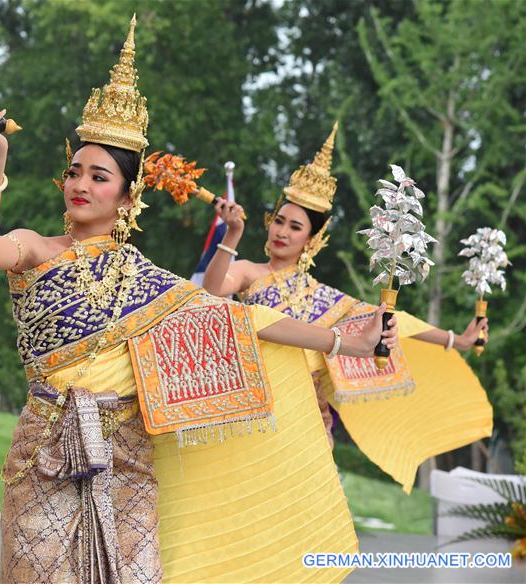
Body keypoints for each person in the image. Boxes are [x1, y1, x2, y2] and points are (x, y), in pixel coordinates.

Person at [0, 17, 398, 582]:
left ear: (127, 194)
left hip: (128, 456)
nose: (80, 184)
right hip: (46, 449)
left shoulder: (150, 282)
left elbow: (245, 322)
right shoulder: (38, 249)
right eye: (74, 171)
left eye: (99, 175)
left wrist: (347, 341)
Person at [202, 123, 493, 490]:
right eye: (278, 221)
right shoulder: (246, 271)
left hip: (307, 419)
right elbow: (211, 292)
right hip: (257, 409)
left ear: (312, 239)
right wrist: (231, 235)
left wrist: (456, 340)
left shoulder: (326, 298)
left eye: (294, 227)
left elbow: (393, 322)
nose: (282, 232)